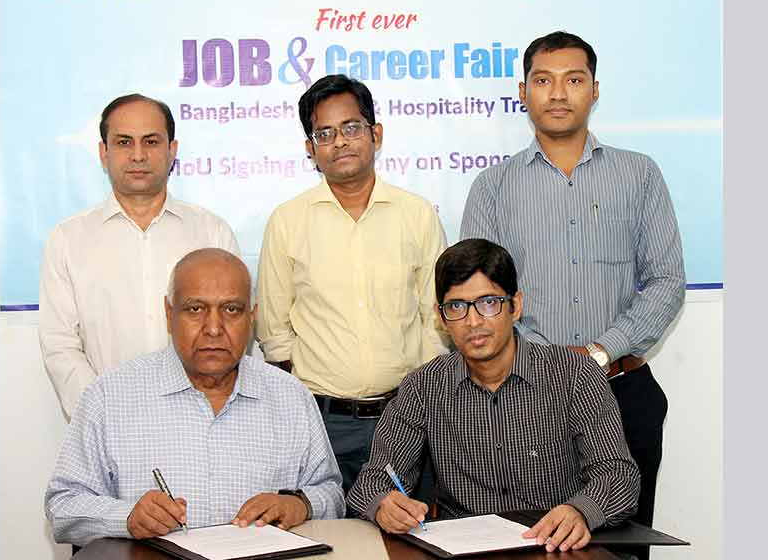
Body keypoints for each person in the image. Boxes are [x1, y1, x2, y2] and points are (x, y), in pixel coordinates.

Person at [460, 31, 685, 557]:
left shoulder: (638, 174)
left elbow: (666, 281)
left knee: (621, 548)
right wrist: (545, 361)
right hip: (522, 399)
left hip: (622, 390)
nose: (558, 93)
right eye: (543, 80)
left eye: (573, 80)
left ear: (595, 90)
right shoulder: (492, 187)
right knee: (528, 545)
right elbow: (477, 296)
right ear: (523, 91)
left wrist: (598, 353)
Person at [347, 239, 639, 553]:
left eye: (488, 303)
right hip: (463, 551)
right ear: (441, 317)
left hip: (556, 546)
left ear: (516, 306)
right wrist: (383, 503)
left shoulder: (574, 375)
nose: (473, 322)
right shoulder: (423, 387)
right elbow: (372, 481)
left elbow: (619, 476)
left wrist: (581, 510)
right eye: (457, 307)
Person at [45, 249, 344, 547]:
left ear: (252, 317)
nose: (213, 329)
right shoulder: (110, 397)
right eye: (195, 309)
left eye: (231, 310)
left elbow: (331, 492)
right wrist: (127, 517)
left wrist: (300, 505)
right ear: (168, 313)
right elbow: (63, 507)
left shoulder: (290, 397)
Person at [256, 75, 449, 494]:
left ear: (375, 134)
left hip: (405, 415)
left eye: (351, 128)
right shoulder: (288, 221)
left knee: (405, 545)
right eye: (324, 133)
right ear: (310, 149)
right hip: (323, 422)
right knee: (330, 543)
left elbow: (434, 318)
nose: (339, 142)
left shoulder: (416, 215)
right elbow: (274, 331)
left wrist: (421, 399)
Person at [39, 93, 240, 419]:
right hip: (106, 423)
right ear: (104, 153)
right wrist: (103, 414)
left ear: (171, 150)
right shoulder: (68, 240)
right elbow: (60, 345)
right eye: (123, 142)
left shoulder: (211, 232)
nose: (137, 155)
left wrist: (211, 408)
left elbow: (234, 333)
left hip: (202, 420)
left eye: (150, 141)